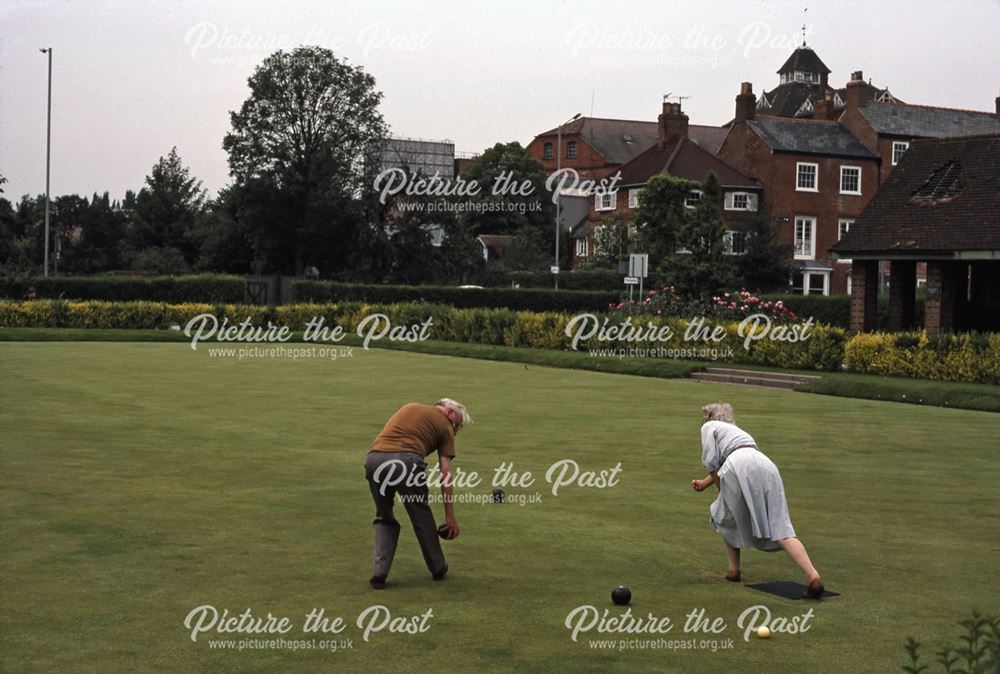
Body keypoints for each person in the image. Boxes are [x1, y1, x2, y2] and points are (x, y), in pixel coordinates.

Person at [691, 403, 824, 599]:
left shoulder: (708, 427)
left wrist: (721, 489)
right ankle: (813, 575)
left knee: (722, 515)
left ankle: (734, 570)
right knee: (781, 527)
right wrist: (705, 483)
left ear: (709, 418)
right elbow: (737, 459)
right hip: (767, 465)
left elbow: (712, 461)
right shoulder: (737, 432)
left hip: (737, 465)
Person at [364, 399, 471, 590]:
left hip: (374, 459)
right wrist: (450, 516)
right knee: (421, 515)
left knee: (384, 516)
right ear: (449, 413)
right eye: (458, 425)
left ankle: (380, 572)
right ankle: (438, 567)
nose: (455, 431)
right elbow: (445, 473)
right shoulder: (446, 425)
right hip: (407, 461)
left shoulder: (410, 406)